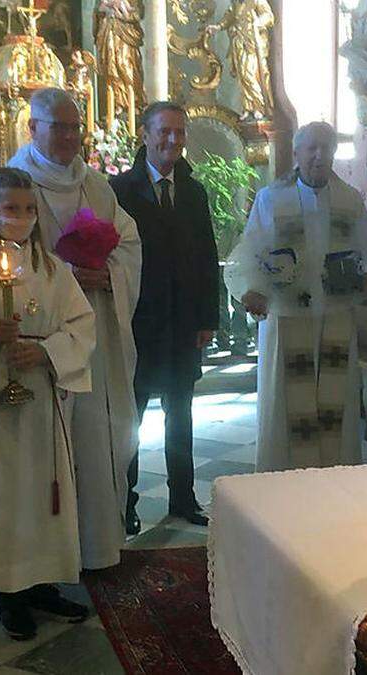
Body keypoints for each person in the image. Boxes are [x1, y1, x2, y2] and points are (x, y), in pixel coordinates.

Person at [0, 87, 141, 570]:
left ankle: (91, 551)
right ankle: (26, 573)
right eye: (58, 127)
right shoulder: (14, 182)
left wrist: (110, 274)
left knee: (93, 437)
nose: (69, 137)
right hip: (26, 342)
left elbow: (128, 243)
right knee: (32, 461)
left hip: (89, 332)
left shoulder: (95, 185)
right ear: (33, 128)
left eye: (74, 127)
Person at [0, 168, 95, 640]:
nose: (22, 218)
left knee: (44, 489)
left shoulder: (54, 271)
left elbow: (81, 324)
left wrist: (47, 351)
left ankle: (43, 581)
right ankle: (10, 592)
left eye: (29, 210)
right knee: (6, 491)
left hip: (42, 396)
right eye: (11, 209)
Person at [225, 121, 367, 472]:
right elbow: (251, 252)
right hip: (287, 316)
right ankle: (282, 477)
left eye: (327, 148)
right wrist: (252, 291)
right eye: (312, 148)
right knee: (287, 402)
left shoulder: (349, 199)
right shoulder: (271, 198)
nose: (320, 156)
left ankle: (333, 477)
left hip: (334, 315)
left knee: (335, 403)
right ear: (297, 153)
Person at [110, 102, 219, 531]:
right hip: (137, 323)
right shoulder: (119, 190)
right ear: (144, 134)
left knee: (181, 414)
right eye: (164, 131)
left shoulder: (194, 191)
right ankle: (126, 501)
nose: (173, 140)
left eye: (179, 131)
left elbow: (208, 257)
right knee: (130, 419)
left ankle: (183, 498)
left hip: (182, 325)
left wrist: (208, 317)